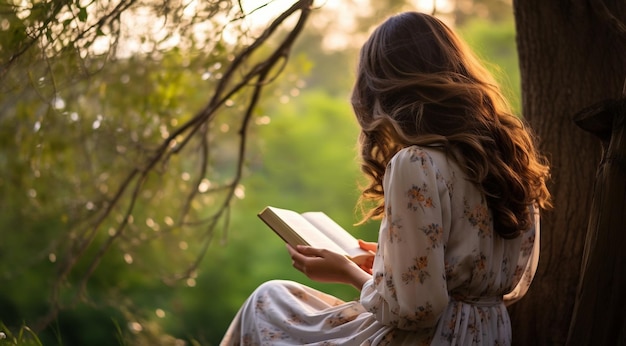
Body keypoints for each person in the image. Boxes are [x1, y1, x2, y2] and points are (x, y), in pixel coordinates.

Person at [220, 11, 551, 345]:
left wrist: (346, 272)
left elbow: (415, 310)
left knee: (267, 301)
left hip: (426, 338)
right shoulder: (509, 158)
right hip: (488, 332)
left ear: (384, 89)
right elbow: (491, 268)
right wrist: (390, 262)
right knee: (280, 297)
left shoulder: (415, 162)